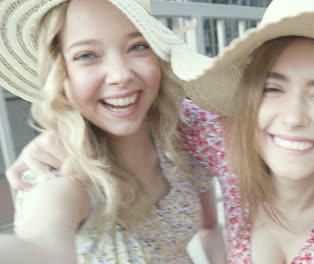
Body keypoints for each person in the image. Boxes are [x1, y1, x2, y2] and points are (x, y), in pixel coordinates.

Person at [5, 0, 314, 263]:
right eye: (273, 89)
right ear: (248, 101)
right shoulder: (224, 139)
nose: (294, 117)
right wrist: (60, 134)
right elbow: (41, 241)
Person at [0, 0, 225, 263]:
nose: (120, 75)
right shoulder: (58, 172)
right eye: (86, 55)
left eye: (137, 47)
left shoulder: (182, 133)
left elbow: (209, 227)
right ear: (59, 74)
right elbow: (39, 243)